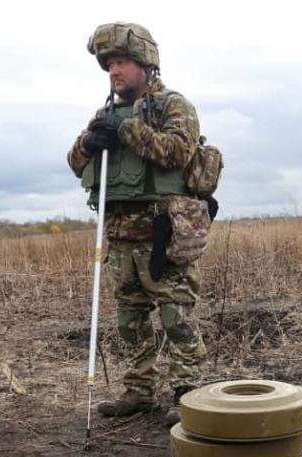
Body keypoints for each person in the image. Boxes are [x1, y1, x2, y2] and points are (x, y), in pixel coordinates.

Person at [67, 23, 214, 421]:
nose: (114, 71)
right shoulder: (105, 113)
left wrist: (128, 130)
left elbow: (178, 153)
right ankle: (139, 390)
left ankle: (189, 394)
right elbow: (74, 162)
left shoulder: (173, 105)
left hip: (162, 230)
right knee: (130, 319)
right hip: (118, 234)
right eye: (110, 64)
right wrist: (89, 143)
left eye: (122, 63)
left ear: (146, 65)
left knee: (175, 316)